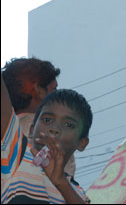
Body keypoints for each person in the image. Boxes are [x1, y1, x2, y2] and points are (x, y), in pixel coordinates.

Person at [1, 73, 92, 204]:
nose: (54, 129)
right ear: (32, 129)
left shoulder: (77, 192)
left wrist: (62, 183)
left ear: (82, 143)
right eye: (47, 120)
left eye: (69, 125)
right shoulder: (17, 155)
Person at [1, 57, 76, 177]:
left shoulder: (6, 134)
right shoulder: (56, 134)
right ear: (39, 91)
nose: (57, 97)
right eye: (54, 89)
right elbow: (64, 186)